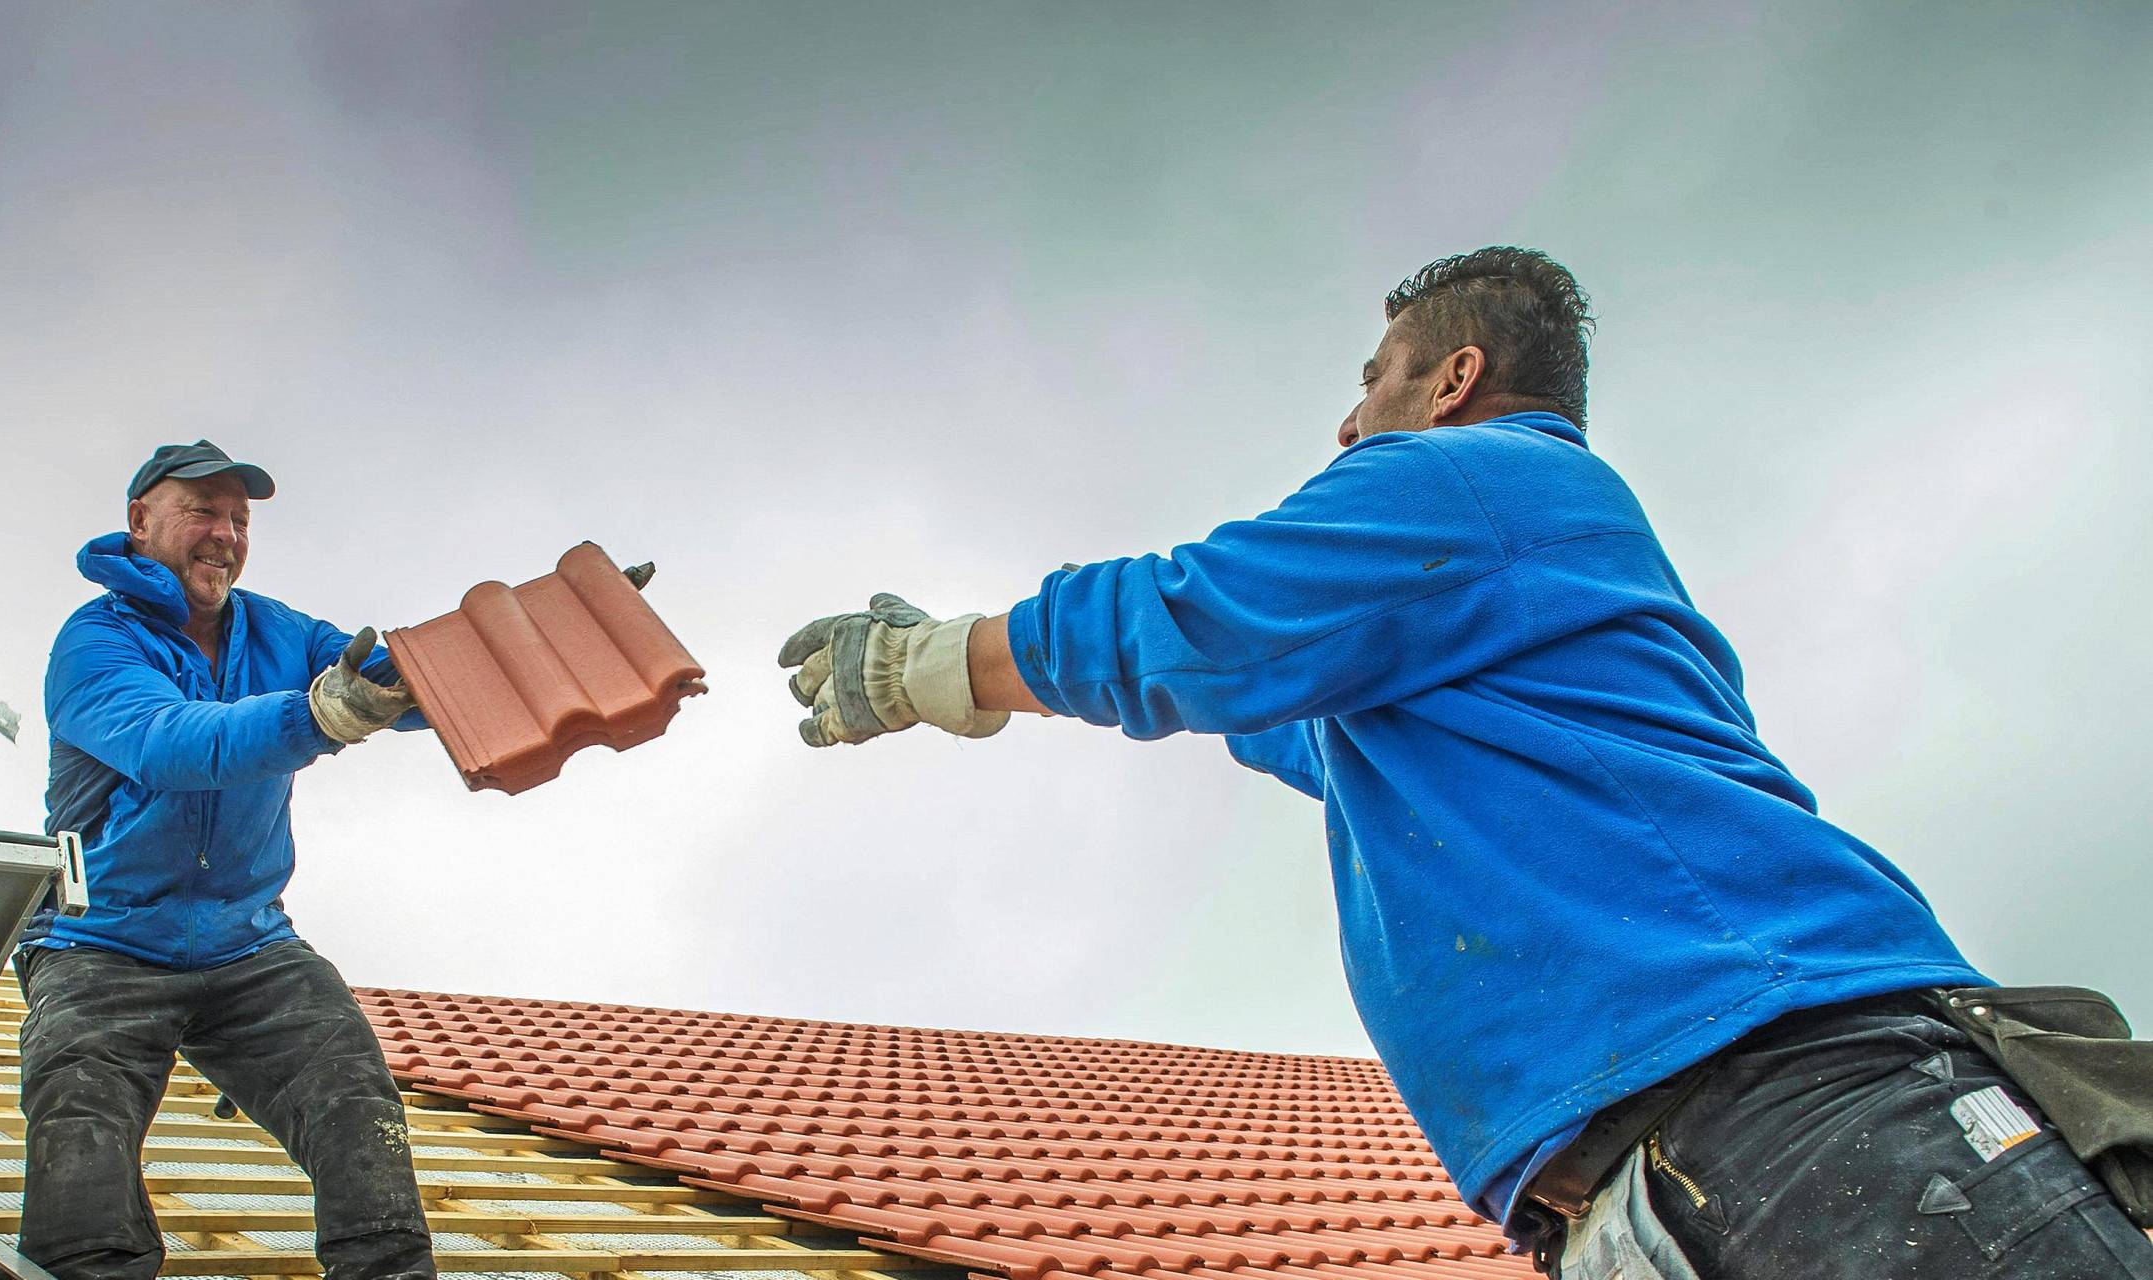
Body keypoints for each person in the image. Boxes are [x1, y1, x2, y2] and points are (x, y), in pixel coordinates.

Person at [777, 249, 2153, 1279]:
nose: (1346, 422)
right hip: (1652, 1186)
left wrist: (939, 663)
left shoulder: (1479, 478)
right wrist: (1011, 683)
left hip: (1795, 1108)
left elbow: (1200, 620)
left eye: (1369, 381)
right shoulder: (1466, 626)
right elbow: (1273, 711)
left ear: (1453, 379)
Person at [18, 440, 432, 1280]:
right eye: (203, 511)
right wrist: (319, 717)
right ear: (141, 522)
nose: (225, 534)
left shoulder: (280, 632)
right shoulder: (96, 643)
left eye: (239, 519)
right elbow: (168, 744)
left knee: (355, 1101)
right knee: (80, 1131)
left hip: (250, 946)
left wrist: (554, 638)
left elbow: (411, 683)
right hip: (102, 946)